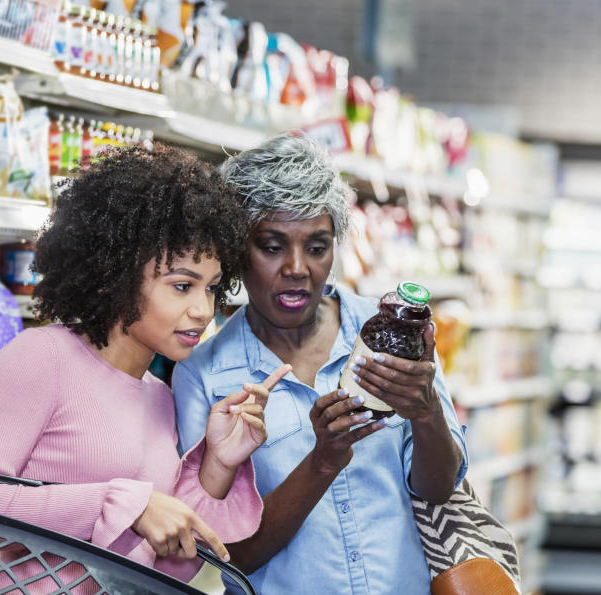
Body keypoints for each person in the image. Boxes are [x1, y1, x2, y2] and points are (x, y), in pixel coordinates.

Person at [0, 146, 288, 591]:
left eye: (212, 288)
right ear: (116, 273)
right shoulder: (41, 358)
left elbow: (164, 567)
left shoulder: (159, 397)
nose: (203, 310)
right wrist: (125, 504)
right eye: (182, 286)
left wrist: (218, 463)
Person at [173, 133, 468, 594]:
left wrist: (427, 413)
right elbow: (232, 554)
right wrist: (323, 461)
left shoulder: (390, 337)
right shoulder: (206, 376)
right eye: (271, 246)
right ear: (235, 250)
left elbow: (439, 488)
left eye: (316, 246)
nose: (297, 267)